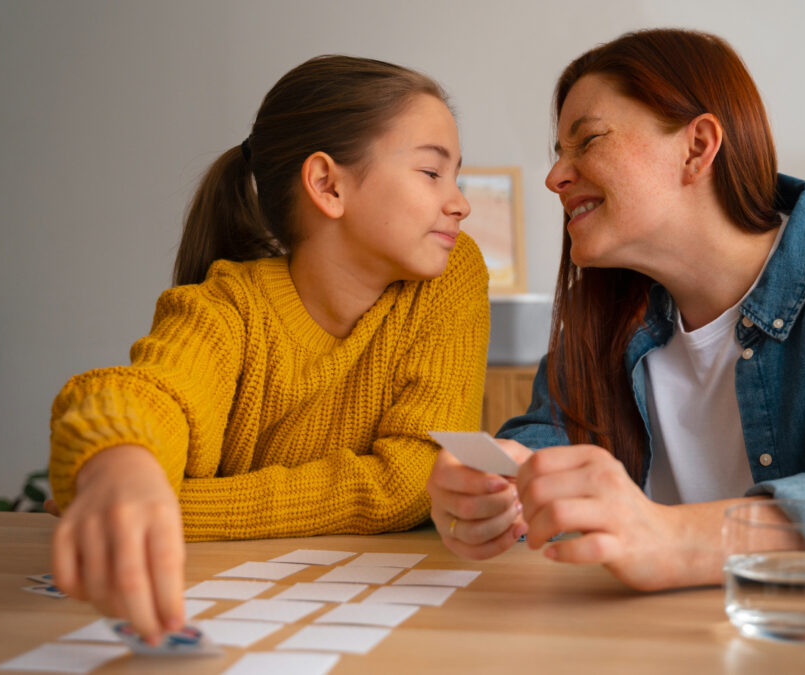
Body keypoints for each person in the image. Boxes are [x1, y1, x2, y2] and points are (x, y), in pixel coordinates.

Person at [426, 28, 805, 591]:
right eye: (560, 151)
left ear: (697, 147)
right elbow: (551, 435)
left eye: (589, 140)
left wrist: (680, 539)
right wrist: (505, 479)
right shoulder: (602, 314)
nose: (556, 176)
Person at [47, 55, 489, 643]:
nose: (460, 202)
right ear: (328, 185)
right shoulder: (226, 307)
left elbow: (413, 474)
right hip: (227, 610)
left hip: (377, 621)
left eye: (456, 175)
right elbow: (145, 395)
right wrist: (121, 468)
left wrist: (179, 510)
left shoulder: (452, 274)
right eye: (432, 173)